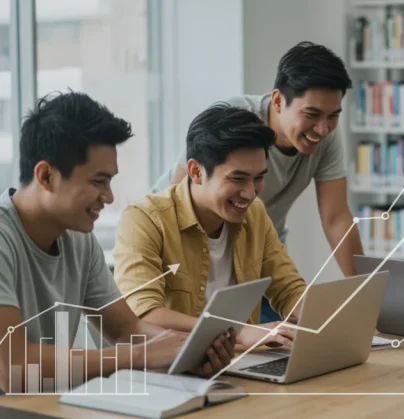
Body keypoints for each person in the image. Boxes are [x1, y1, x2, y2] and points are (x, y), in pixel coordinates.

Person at [0, 92, 234, 393]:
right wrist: (139, 356)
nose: (109, 197)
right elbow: (11, 367)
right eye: (98, 182)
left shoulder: (79, 240)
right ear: (46, 176)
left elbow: (127, 329)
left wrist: (188, 350)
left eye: (110, 181)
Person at [152, 42, 363, 322]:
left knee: (285, 338)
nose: (323, 128)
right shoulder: (232, 119)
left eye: (333, 116)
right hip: (190, 253)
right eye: (312, 115)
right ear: (277, 101)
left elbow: (336, 218)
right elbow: (179, 196)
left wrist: (366, 299)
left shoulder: (326, 138)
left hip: (255, 253)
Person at [114, 103, 307, 349]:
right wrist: (236, 332)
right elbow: (144, 314)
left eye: (258, 178)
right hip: (168, 370)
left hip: (237, 364)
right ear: (195, 171)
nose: (250, 193)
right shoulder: (144, 219)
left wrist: (326, 321)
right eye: (237, 179)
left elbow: (289, 289)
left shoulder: (254, 214)